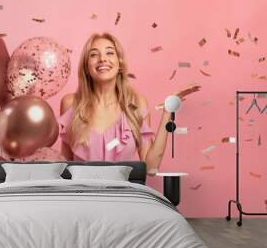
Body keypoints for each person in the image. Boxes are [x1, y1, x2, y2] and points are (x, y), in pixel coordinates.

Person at [59, 32, 195, 172]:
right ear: (86, 67)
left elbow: (151, 168)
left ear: (120, 63)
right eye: (94, 54)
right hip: (82, 192)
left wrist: (167, 112)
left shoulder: (137, 105)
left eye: (110, 53)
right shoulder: (70, 104)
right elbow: (64, 165)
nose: (102, 59)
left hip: (124, 192)